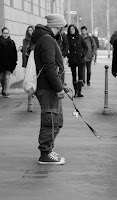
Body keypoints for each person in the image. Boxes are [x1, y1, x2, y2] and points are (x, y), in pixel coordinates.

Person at [31, 13, 70, 165]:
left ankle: (48, 150)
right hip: (48, 88)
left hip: (49, 87)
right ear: (58, 27)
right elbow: (49, 67)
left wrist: (61, 85)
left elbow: (51, 67)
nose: (63, 31)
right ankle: (45, 154)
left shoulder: (47, 39)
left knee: (56, 120)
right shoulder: (47, 39)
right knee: (50, 120)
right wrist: (58, 88)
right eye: (62, 28)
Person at [67, 24, 88, 97]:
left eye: (72, 29)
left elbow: (86, 47)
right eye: (70, 29)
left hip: (80, 58)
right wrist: (68, 55)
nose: (71, 30)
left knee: (80, 75)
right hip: (72, 59)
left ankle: (79, 92)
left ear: (75, 29)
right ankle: (75, 91)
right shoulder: (68, 38)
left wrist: (83, 54)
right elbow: (66, 47)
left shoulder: (80, 37)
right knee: (74, 75)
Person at [18, 25, 35, 112]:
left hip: (33, 63)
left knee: (32, 79)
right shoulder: (25, 40)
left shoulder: (35, 40)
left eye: (31, 30)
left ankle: (31, 97)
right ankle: (30, 100)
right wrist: (22, 49)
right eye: (29, 30)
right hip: (26, 62)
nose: (30, 32)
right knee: (28, 80)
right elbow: (25, 51)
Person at [0, 27, 17, 98]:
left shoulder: (12, 42)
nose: (5, 34)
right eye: (4, 33)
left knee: (7, 77)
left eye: (7, 33)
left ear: (9, 33)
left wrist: (14, 63)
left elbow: (14, 53)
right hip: (0, 64)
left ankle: (6, 91)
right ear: (2, 33)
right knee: (1, 78)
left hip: (9, 64)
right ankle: (4, 89)